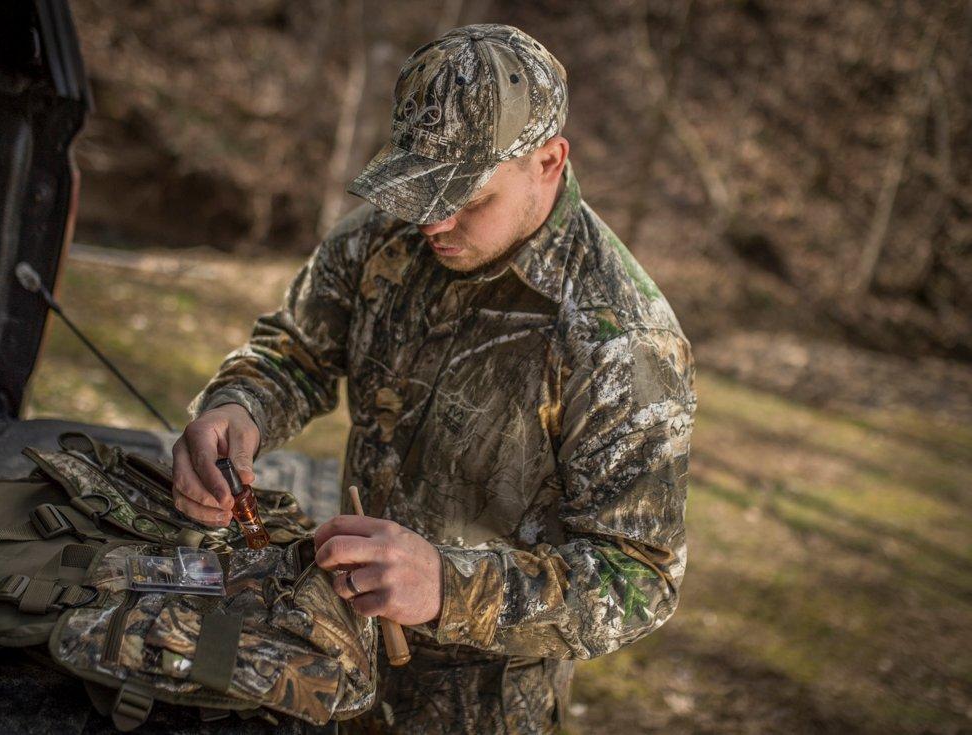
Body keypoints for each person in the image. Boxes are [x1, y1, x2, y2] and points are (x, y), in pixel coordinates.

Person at [172, 23, 696, 734]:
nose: (432, 220)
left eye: (465, 197)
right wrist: (238, 406)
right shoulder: (384, 235)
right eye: (419, 188)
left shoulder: (620, 337)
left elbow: (638, 577)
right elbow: (293, 351)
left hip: (479, 705)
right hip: (331, 654)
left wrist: (450, 587)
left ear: (548, 161)